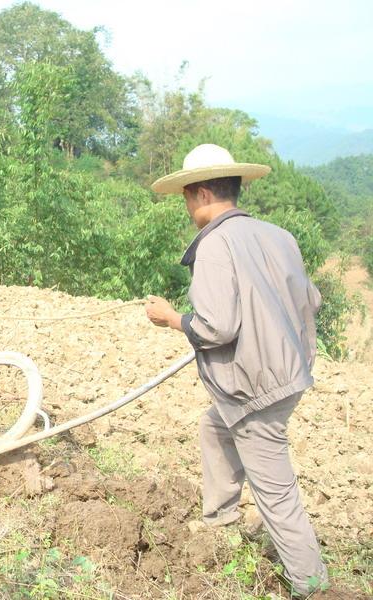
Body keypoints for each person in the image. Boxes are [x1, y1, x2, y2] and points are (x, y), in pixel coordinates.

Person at [144, 143, 328, 596]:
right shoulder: (277, 235)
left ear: (202, 193)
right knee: (215, 426)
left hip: (255, 389)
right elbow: (313, 299)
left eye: (187, 198)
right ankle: (220, 521)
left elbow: (216, 328)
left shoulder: (214, 244)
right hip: (290, 374)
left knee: (277, 496)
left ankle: (315, 586)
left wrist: (172, 318)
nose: (187, 208)